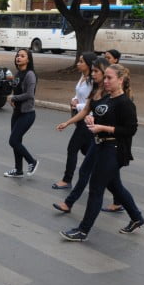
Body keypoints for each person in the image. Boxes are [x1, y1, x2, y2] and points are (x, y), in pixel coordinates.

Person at [60, 64, 144, 242]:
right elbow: (96, 115)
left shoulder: (125, 103)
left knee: (96, 189)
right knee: (115, 187)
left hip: (113, 149)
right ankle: (137, 218)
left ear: (120, 80)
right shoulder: (107, 99)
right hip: (99, 146)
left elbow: (130, 130)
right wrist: (92, 119)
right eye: (104, 77)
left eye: (109, 78)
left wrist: (102, 127)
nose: (105, 81)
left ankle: (83, 231)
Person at [53, 56, 123, 214]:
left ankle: (70, 203)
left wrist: (99, 123)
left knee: (95, 175)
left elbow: (124, 125)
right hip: (96, 138)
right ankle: (126, 208)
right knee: (108, 177)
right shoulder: (96, 90)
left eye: (96, 71)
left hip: (107, 142)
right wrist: (68, 122)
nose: (93, 74)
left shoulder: (112, 95)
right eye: (93, 71)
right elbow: (86, 111)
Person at [52, 51, 96, 188]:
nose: (78, 63)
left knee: (72, 149)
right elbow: (79, 94)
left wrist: (77, 105)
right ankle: (104, 173)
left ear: (88, 64)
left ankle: (67, 180)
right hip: (79, 117)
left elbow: (93, 103)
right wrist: (73, 100)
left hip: (87, 119)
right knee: (88, 151)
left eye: (81, 61)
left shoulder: (93, 81)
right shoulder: (83, 76)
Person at [4, 48, 38, 178]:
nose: (19, 57)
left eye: (22, 56)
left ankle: (32, 161)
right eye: (18, 55)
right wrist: (13, 98)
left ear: (28, 59)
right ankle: (18, 170)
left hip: (27, 113)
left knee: (13, 141)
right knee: (17, 141)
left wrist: (13, 98)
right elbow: (17, 90)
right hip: (17, 112)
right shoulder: (18, 73)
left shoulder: (30, 74)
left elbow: (30, 94)